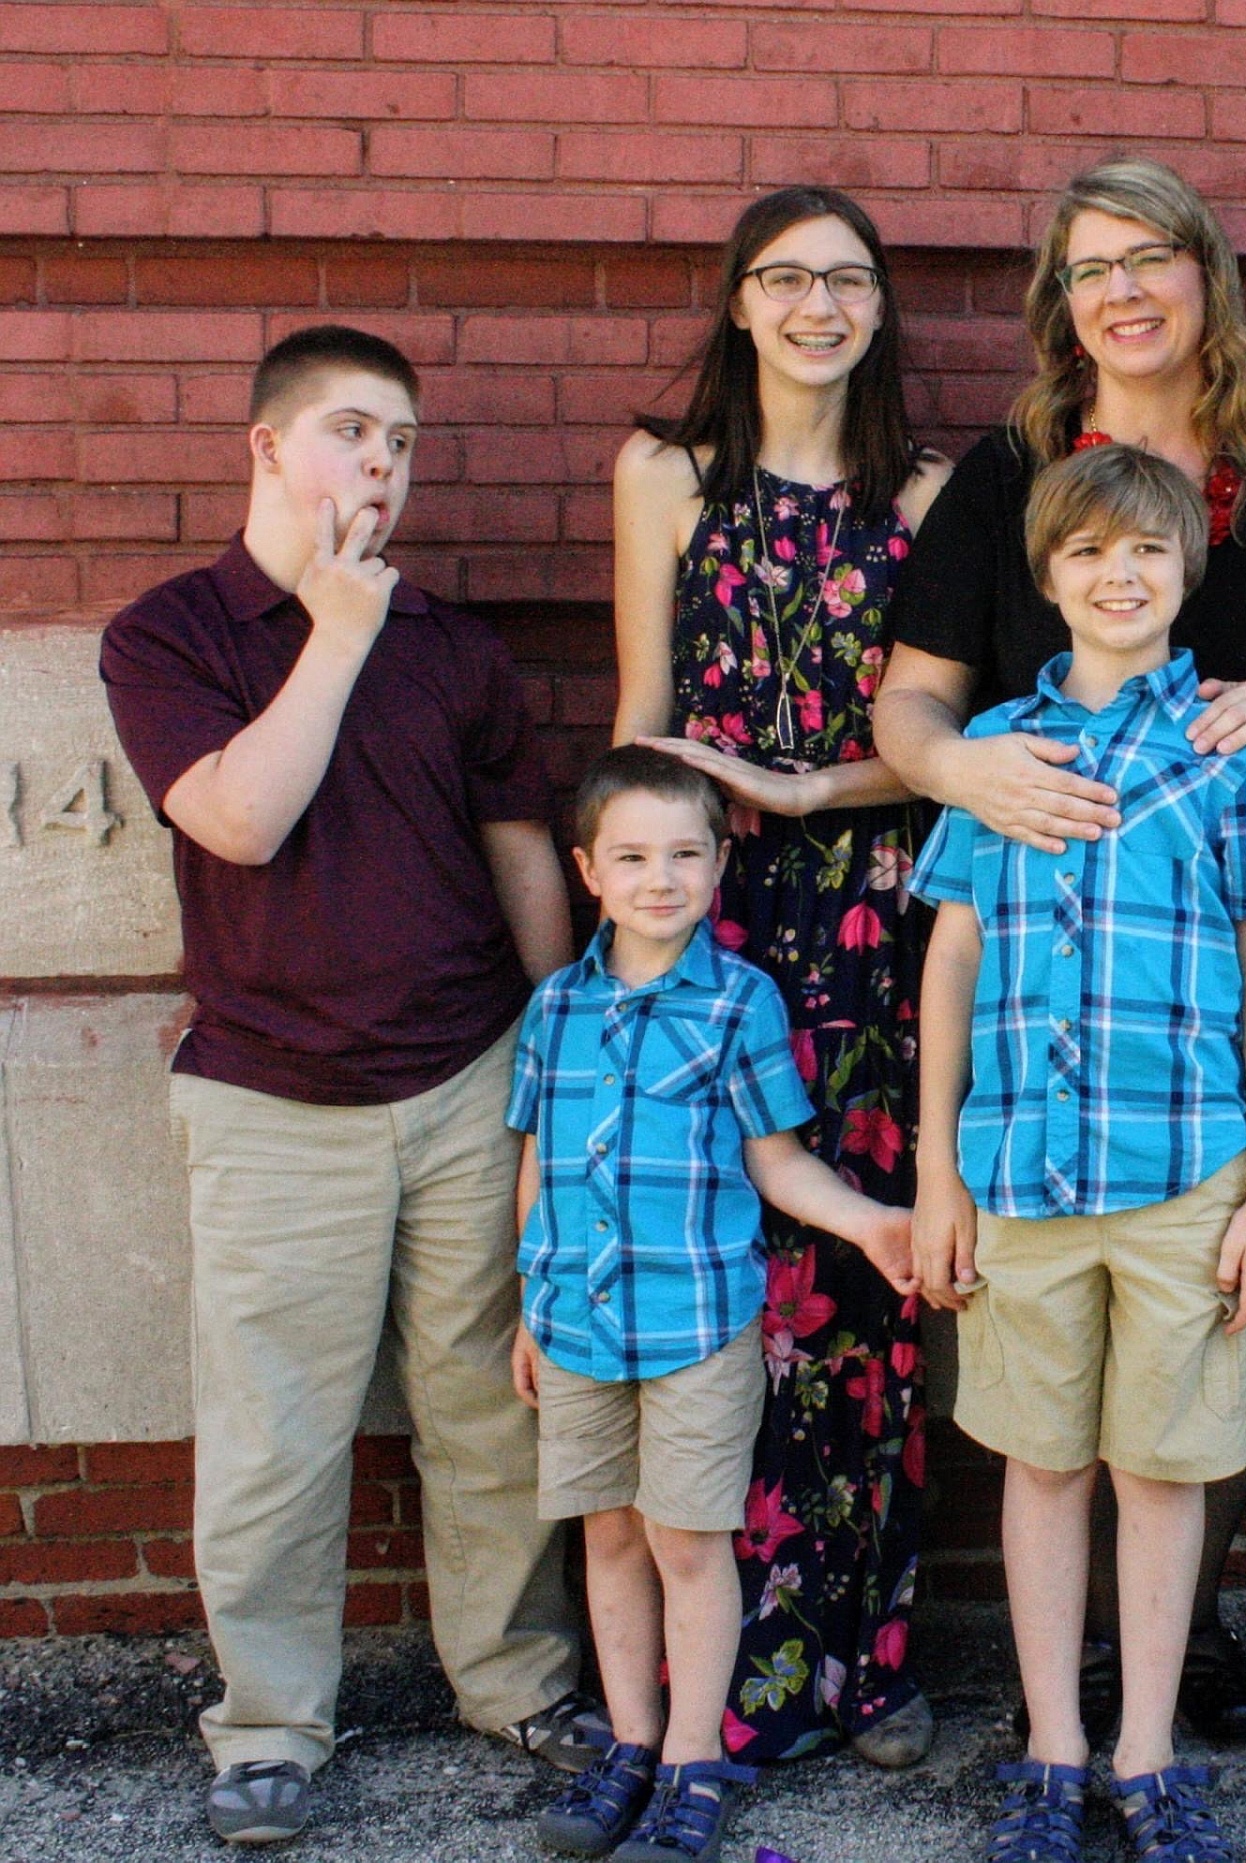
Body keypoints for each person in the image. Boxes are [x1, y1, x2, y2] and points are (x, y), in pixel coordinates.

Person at [99, 325, 603, 1847]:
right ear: (263, 447)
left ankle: (515, 1678)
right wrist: (332, 629)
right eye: (348, 432)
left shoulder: (455, 646)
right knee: (274, 1425)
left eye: (401, 441)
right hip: (271, 1094)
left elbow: (524, 853)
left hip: (468, 1079)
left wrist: (562, 1048)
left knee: (490, 1409)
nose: (380, 466)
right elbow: (238, 822)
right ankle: (265, 1724)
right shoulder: (172, 635)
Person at [875, 156, 1246, 1743]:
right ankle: (1063, 1706)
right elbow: (913, 701)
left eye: (1154, 258)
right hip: (1031, 929)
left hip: (1224, 928)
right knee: (1048, 1410)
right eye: (1089, 269)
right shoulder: (1010, 478)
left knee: (1207, 1317)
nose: (1125, 290)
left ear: (1207, 274)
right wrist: (967, 772)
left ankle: (1175, 1647)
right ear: (1059, 305)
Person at [911, 443, 1246, 1863]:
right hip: (1020, 1172)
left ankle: (1147, 1748)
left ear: (1185, 568)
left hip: (1183, 1172)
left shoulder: (1224, 748)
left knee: (1158, 1465)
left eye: (1145, 551)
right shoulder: (999, 748)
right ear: (1048, 573)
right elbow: (950, 956)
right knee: (1043, 1460)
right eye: (1088, 553)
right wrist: (938, 1172)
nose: (1118, 575)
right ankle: (1052, 1745)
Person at [609, 187, 951, 1767]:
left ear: (880, 307)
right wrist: (630, 958)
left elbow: (948, 745)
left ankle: (866, 1657)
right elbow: (643, 722)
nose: (821, 303)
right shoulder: (667, 476)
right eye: (788, 277)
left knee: (872, 1279)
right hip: (716, 921)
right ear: (740, 302)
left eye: (850, 279)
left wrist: (817, 791)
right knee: (731, 1278)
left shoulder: (931, 492)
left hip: (876, 915)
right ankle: (731, 1672)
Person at [508, 747, 917, 1861]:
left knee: (688, 1544)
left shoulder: (741, 1002)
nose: (660, 878)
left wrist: (870, 1220)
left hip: (697, 1331)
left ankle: (695, 1757)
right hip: (580, 1329)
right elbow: (539, 1166)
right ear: (589, 870)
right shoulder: (556, 1010)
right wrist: (524, 1310)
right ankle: (630, 1745)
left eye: (684, 854)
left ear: (719, 862)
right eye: (633, 857)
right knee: (607, 1539)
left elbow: (778, 1164)